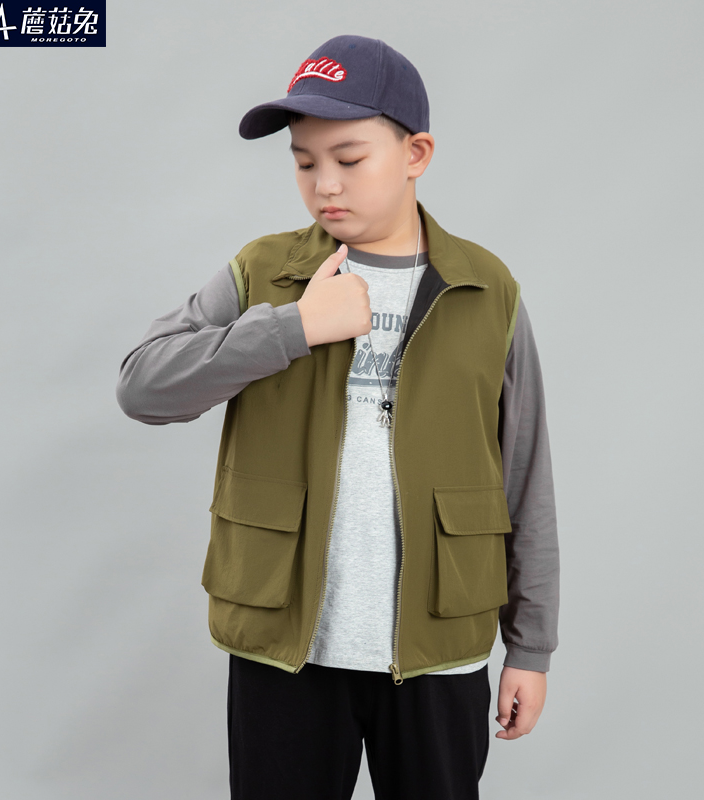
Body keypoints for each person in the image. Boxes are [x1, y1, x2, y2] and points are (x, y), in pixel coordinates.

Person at [116, 34, 559, 800]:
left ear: (416, 153)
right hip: (285, 649)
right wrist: (293, 327)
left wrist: (532, 647)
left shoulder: (488, 290)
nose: (325, 185)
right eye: (303, 162)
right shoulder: (266, 273)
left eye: (349, 159)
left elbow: (526, 475)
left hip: (438, 649)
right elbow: (143, 387)